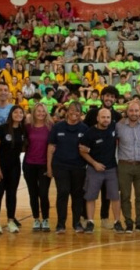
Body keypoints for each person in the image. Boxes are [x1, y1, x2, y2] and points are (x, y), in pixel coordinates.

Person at [47, 101, 91, 234]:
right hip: (60, 166)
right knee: (63, 192)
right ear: (67, 111)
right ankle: (60, 224)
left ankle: (77, 223)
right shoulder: (58, 127)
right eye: (71, 110)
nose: (74, 113)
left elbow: (89, 148)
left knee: (77, 195)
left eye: (77, 111)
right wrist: (49, 167)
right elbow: (51, 147)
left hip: (78, 167)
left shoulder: (84, 129)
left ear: (80, 113)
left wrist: (87, 149)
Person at [83, 86, 122, 229]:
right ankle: (86, 218)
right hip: (92, 160)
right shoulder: (92, 112)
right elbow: (84, 131)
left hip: (110, 162)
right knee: (89, 191)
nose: (109, 99)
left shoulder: (117, 116)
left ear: (115, 99)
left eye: (112, 97)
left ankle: (105, 217)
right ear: (102, 97)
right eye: (107, 96)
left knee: (108, 192)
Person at [0, 105, 26, 235]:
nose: (18, 114)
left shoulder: (23, 130)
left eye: (21, 112)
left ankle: (10, 221)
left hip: (14, 166)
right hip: (0, 166)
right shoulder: (2, 128)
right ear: (11, 114)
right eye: (16, 112)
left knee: (11, 194)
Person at [116, 99, 140, 233]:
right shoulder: (119, 126)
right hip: (125, 165)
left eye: (136, 110)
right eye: (131, 110)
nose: (134, 113)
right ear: (126, 112)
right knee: (125, 195)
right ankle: (128, 222)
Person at [24, 102, 53, 232]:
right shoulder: (28, 127)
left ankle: (46, 219)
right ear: (34, 113)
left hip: (44, 165)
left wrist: (50, 166)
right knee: (33, 193)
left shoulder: (51, 127)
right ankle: (36, 219)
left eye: (43, 111)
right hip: (29, 164)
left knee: (43, 193)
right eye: (38, 111)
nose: (41, 113)